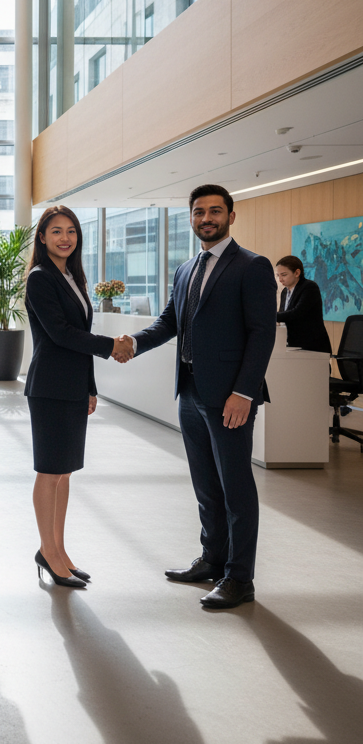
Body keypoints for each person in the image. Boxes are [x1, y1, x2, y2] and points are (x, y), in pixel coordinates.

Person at [118, 184, 276, 609]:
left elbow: (263, 334)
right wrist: (133, 343)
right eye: (199, 211)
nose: (206, 218)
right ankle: (212, 559)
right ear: (190, 217)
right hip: (190, 392)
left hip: (230, 399)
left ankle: (240, 578)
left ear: (230, 216)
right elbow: (170, 321)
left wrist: (244, 392)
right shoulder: (186, 269)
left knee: (236, 489)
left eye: (215, 211)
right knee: (206, 486)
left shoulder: (252, 266)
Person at [24, 206, 131, 589]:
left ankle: (58, 551)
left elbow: (77, 336)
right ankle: (47, 551)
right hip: (50, 387)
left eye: (71, 231)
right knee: (49, 471)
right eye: (56, 231)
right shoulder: (40, 278)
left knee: (65, 472)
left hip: (72, 386)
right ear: (42, 237)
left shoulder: (72, 276)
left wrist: (89, 386)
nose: (65, 238)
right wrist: (111, 346)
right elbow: (61, 333)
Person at [275, 255, 332, 354]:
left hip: (311, 346)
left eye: (284, 275)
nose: (280, 279)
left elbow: (296, 313)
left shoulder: (309, 287)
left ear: (297, 273)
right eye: (278, 275)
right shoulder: (284, 291)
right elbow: (283, 315)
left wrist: (269, 316)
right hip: (291, 344)